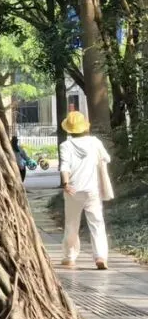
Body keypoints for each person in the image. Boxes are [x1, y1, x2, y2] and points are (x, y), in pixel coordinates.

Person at [58, 110, 112, 270]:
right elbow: (107, 158)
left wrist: (65, 183)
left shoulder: (65, 145)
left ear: (69, 130)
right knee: (97, 223)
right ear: (85, 127)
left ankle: (70, 257)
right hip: (92, 190)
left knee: (71, 224)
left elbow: (64, 166)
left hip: (73, 190)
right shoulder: (95, 142)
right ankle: (100, 256)